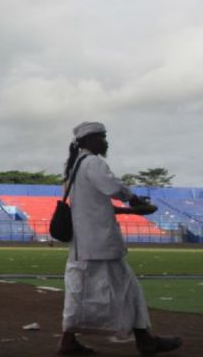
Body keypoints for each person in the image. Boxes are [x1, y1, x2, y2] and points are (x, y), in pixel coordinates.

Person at [57, 121, 182, 356]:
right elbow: (112, 187)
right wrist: (134, 199)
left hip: (88, 245)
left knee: (90, 291)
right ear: (88, 141)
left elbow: (95, 207)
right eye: (101, 137)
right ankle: (143, 340)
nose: (105, 141)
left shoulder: (75, 167)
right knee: (109, 291)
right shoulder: (93, 163)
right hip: (97, 245)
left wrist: (130, 210)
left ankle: (72, 341)